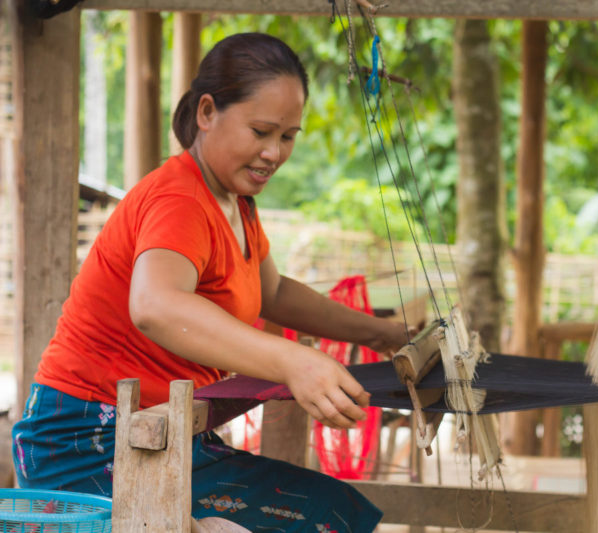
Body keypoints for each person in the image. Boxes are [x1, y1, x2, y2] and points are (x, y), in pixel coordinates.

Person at [12, 32, 410, 532]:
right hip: (86, 442)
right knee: (319, 520)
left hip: (161, 435)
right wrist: (292, 361)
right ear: (206, 112)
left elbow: (274, 294)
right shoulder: (179, 199)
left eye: (287, 137)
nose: (273, 153)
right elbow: (155, 305)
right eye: (261, 131)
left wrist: (386, 335)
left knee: (331, 512)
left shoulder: (237, 203)